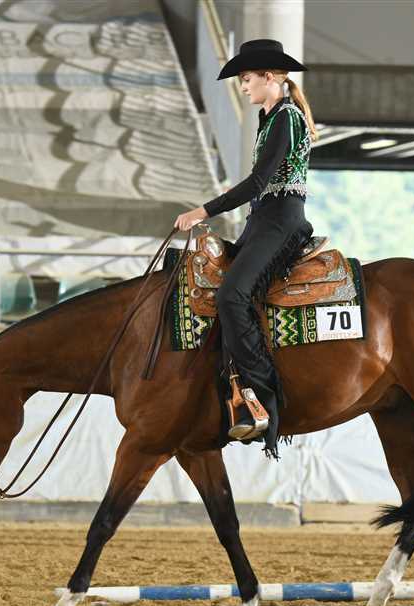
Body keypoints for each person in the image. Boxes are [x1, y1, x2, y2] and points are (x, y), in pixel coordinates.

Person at [173, 39, 318, 459]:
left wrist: (203, 210)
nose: (243, 86)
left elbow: (258, 183)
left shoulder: (286, 117)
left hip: (281, 222)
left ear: (269, 77)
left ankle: (263, 397)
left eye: (247, 78)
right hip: (262, 222)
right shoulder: (268, 117)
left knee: (232, 296)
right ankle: (231, 388)